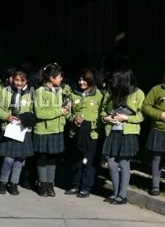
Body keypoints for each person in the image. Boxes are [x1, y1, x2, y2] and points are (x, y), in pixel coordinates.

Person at [100, 67, 144, 205]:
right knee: (112, 163)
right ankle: (115, 192)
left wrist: (126, 118)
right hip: (113, 131)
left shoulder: (138, 93)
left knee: (124, 163)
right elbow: (102, 111)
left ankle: (122, 195)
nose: (112, 82)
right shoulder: (110, 93)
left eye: (115, 79)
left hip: (128, 132)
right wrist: (106, 118)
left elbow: (141, 115)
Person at [64, 68, 104, 198]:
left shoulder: (99, 95)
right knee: (76, 161)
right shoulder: (73, 94)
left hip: (91, 135)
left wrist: (91, 125)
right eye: (80, 80)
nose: (81, 82)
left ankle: (86, 188)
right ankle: (75, 185)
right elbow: (66, 111)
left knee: (88, 162)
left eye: (84, 80)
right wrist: (73, 118)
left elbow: (102, 115)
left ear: (91, 80)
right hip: (74, 134)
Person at [0, 69, 35, 195]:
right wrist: (7, 116)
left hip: (24, 130)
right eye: (16, 80)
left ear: (26, 80)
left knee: (20, 159)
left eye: (22, 80)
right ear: (12, 79)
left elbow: (35, 112)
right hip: (9, 128)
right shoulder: (5, 91)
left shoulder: (32, 93)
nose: (19, 83)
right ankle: (2, 182)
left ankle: (14, 183)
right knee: (8, 159)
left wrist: (25, 119)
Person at [32, 63, 69, 197]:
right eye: (59, 76)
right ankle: (42, 184)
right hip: (43, 130)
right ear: (52, 78)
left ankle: (50, 184)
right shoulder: (40, 91)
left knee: (53, 159)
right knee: (42, 158)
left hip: (56, 129)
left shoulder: (60, 91)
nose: (61, 79)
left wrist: (65, 114)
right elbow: (40, 113)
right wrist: (59, 111)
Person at [141, 67, 165, 197]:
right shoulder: (156, 89)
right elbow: (146, 106)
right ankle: (155, 186)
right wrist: (160, 115)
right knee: (157, 157)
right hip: (158, 129)